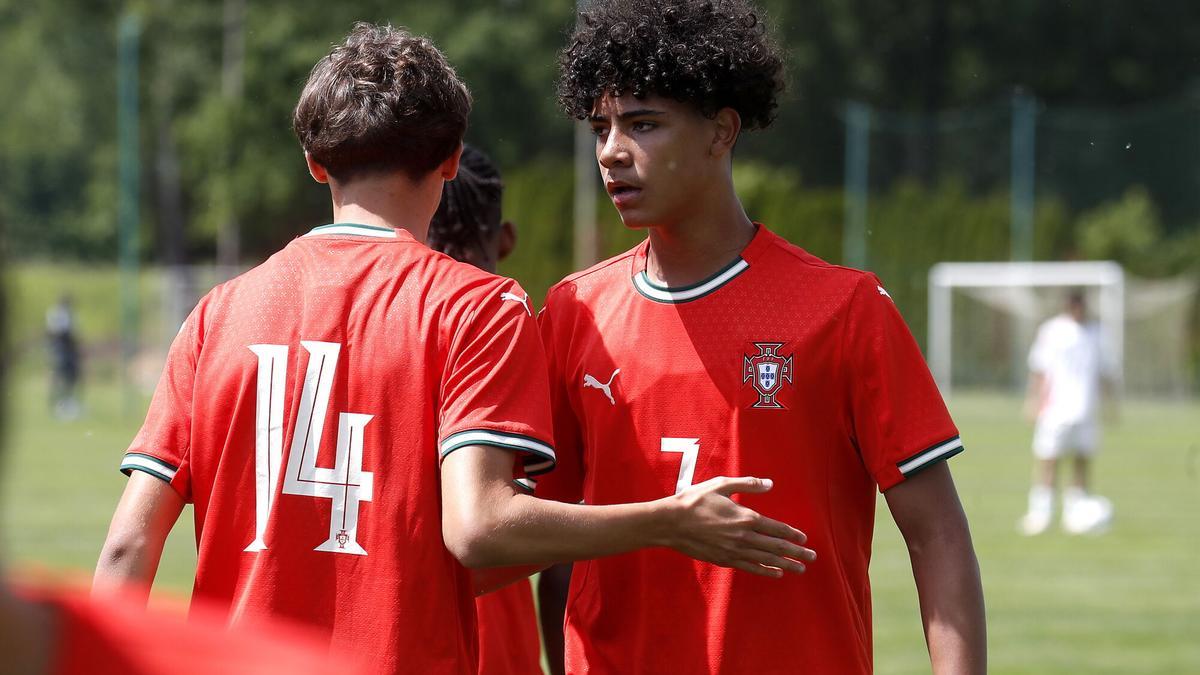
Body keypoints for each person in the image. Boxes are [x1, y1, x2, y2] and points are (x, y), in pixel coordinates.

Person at [93, 22, 812, 674]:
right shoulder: (478, 305)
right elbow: (479, 527)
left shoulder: (218, 314)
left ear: (315, 163)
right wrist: (668, 518)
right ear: (448, 159)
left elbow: (128, 546)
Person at [536, 1, 987, 673]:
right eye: (600, 127)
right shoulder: (576, 310)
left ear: (721, 132)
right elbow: (544, 534)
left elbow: (937, 534)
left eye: (643, 124)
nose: (611, 152)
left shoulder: (845, 307)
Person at [426, 144, 548, 675]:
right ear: (506, 239)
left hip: (397, 637)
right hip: (501, 646)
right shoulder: (524, 338)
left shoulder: (376, 335)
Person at [1019, 290, 1115, 536]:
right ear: (1067, 305)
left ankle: (1076, 512)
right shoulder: (1051, 331)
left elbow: (1105, 372)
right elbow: (1039, 369)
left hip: (1085, 408)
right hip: (1055, 408)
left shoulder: (1097, 333)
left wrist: (1110, 405)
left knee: (1082, 459)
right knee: (1048, 458)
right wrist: (1033, 400)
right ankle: (1041, 512)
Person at [46, 294, 81, 420]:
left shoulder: (65, 314)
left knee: (69, 377)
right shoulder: (59, 314)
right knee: (61, 375)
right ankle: (59, 403)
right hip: (62, 350)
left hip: (66, 350)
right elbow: (59, 333)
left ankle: (65, 402)